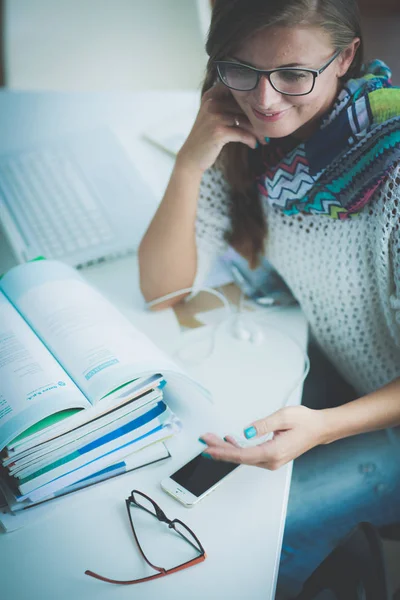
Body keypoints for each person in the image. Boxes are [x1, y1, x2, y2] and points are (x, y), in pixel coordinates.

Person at [138, 0, 400, 596]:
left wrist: (324, 428)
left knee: (247, 536)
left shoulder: (393, 172)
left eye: (292, 74)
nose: (265, 100)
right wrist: (188, 163)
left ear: (346, 58)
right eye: (242, 69)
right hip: (349, 380)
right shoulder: (246, 131)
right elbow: (163, 290)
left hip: (376, 412)